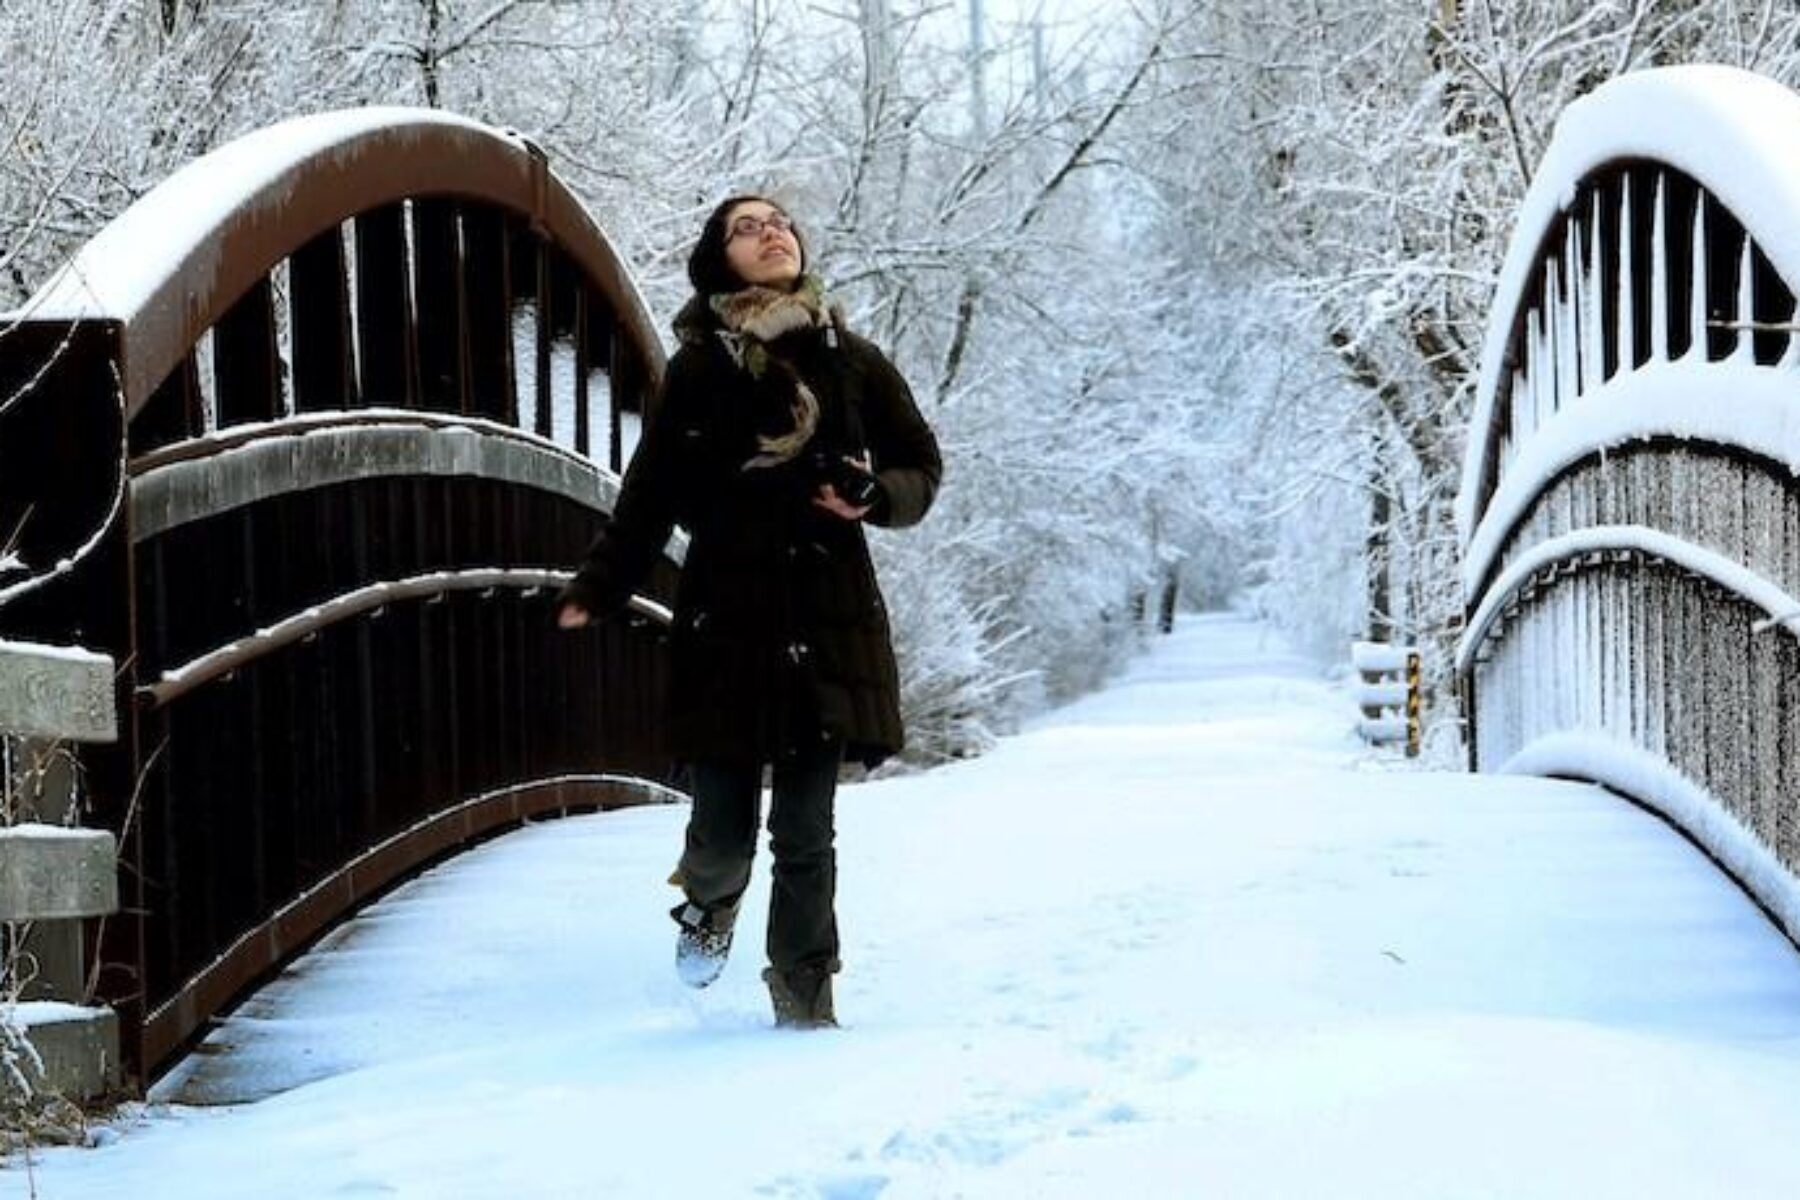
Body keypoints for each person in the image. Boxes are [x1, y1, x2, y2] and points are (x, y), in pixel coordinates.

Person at [556, 195, 941, 1029]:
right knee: (725, 833)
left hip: (826, 618)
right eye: (746, 228)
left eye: (779, 223)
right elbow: (649, 496)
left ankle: (805, 1001)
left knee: (806, 831)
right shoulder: (699, 371)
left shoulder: (851, 360)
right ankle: (708, 907)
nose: (771, 233)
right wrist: (600, 587)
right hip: (726, 623)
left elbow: (920, 467)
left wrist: (877, 497)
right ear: (719, 261)